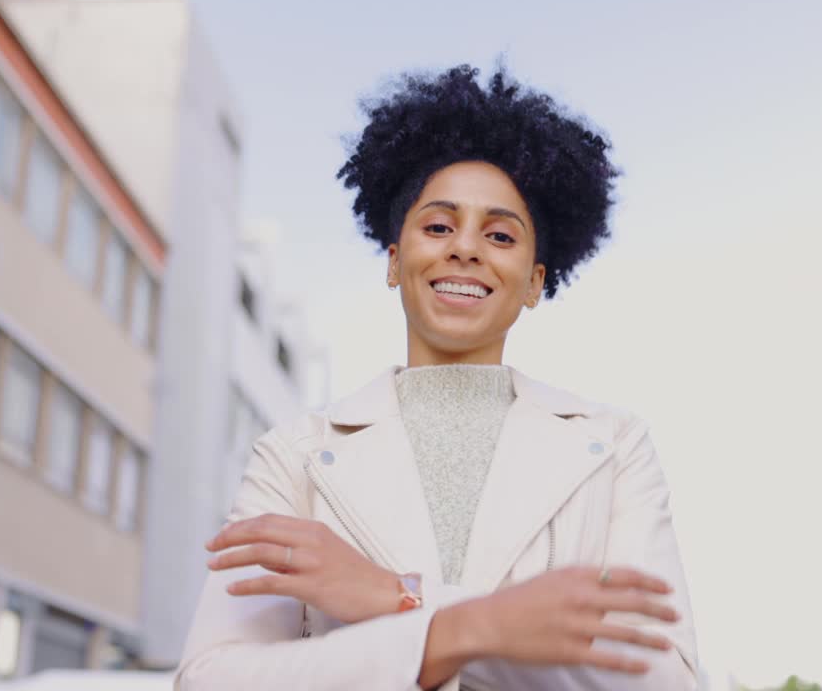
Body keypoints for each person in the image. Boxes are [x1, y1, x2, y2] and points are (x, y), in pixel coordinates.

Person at [175, 64, 699, 691]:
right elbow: (212, 679)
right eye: (438, 226)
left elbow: (661, 678)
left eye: (501, 234)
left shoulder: (615, 448)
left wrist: (393, 601)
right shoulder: (294, 456)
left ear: (534, 282)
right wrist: (462, 631)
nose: (466, 248)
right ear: (396, 262)